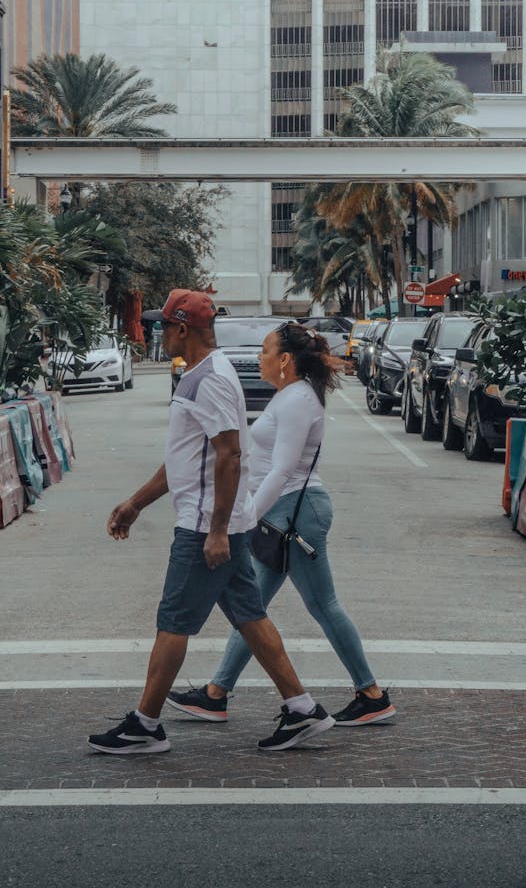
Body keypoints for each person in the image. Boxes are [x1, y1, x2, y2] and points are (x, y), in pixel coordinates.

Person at [87, 291, 335, 755]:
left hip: (205, 526)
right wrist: (136, 504)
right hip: (215, 521)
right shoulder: (200, 377)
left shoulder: (210, 380)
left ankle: (145, 724)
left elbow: (229, 454)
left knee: (173, 621)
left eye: (163, 325)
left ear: (182, 328)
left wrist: (218, 529)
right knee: (249, 615)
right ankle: (302, 709)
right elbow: (185, 459)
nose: (159, 333)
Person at [166, 320, 396, 727]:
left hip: (293, 515)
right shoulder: (291, 395)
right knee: (251, 608)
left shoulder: (297, 401)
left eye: (266, 351)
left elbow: (283, 469)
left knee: (320, 605)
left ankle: (372, 694)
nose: (259, 357)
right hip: (283, 514)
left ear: (285, 360)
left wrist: (247, 517)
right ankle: (217, 693)